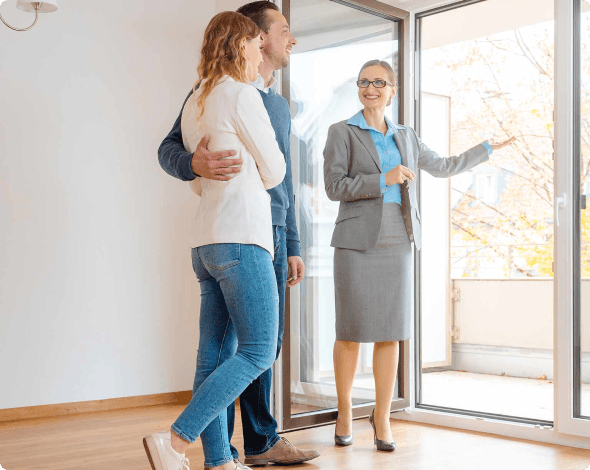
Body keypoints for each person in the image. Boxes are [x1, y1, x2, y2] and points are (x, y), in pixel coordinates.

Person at [156, 2, 320, 468]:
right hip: (245, 235)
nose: (289, 39)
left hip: (210, 239)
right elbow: (276, 173)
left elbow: (255, 184)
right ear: (250, 40)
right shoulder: (242, 94)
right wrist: (194, 163)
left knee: (214, 355)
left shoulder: (200, 98)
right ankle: (175, 439)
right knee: (258, 350)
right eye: (279, 30)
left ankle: (221, 460)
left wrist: (291, 243)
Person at [323, 59, 515, 452]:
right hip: (355, 241)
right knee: (350, 330)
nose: (370, 88)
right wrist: (384, 179)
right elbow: (333, 186)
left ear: (392, 89)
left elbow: (443, 166)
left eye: (379, 82)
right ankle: (345, 411)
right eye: (364, 82)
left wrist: (487, 148)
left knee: (391, 331)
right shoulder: (340, 131)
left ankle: (382, 417)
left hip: (397, 236)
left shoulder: (406, 135)